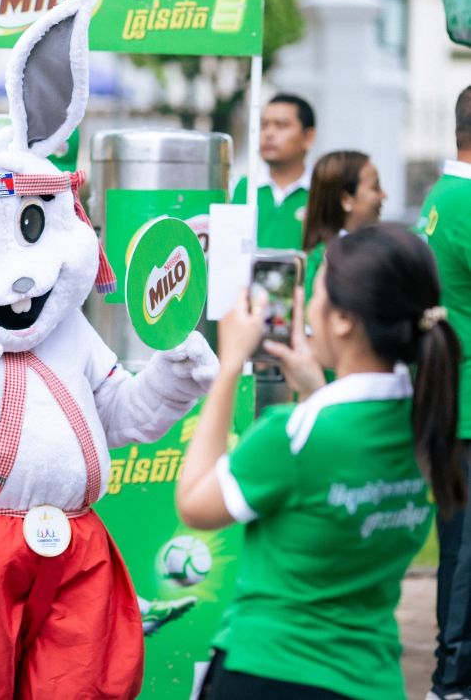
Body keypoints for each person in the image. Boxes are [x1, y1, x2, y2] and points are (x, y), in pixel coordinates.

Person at [177, 223, 463, 700]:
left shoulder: (291, 436)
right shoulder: (429, 428)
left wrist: (228, 367)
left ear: (344, 319)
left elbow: (194, 504)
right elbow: (351, 448)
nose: (307, 306)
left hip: (268, 672)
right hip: (370, 681)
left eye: (316, 290)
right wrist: (318, 389)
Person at [424, 84, 471, 700]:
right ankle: (453, 680)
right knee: (464, 558)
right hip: (465, 405)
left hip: (451, 400)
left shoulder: (443, 197)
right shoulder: (464, 202)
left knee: (458, 549)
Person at [232, 93, 317, 249]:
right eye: (263, 125)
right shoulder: (241, 189)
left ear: (308, 137)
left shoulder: (322, 193)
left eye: (281, 125)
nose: (268, 134)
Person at [300, 150, 386, 300]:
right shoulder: (321, 262)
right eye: (375, 187)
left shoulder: (371, 248)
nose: (384, 195)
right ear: (346, 199)